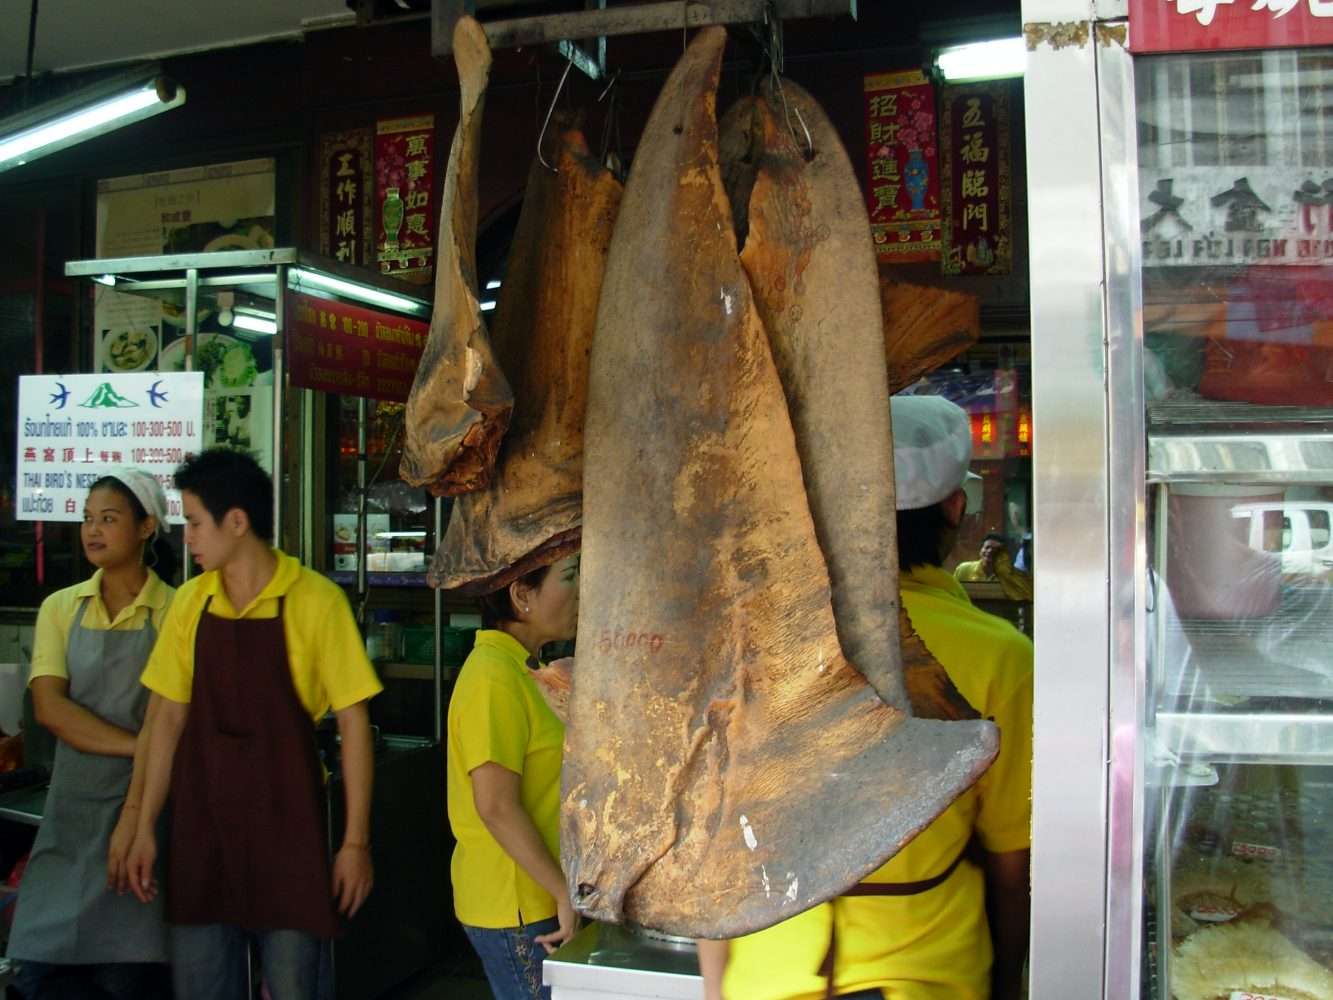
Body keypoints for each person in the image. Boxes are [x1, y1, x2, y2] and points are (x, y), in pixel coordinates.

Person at [708, 395, 1033, 1000]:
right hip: (927, 982)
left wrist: (717, 986)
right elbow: (1013, 864)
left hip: (767, 978)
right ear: (955, 507)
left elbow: (716, 836)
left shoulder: (755, 642)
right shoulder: (1002, 658)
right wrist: (1009, 982)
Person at [125, 448, 382, 1000]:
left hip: (288, 835)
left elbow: (354, 724)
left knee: (296, 988)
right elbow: (165, 720)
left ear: (236, 522)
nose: (187, 537)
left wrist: (355, 843)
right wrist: (143, 822)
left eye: (194, 522)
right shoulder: (191, 603)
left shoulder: (317, 600)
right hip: (201, 834)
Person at [10, 468, 176, 999]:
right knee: (36, 971)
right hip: (70, 812)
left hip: (144, 807)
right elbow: (50, 708)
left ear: (147, 526)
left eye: (108, 518)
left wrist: (151, 749)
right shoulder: (61, 607)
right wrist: (141, 743)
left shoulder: (176, 611)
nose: (92, 530)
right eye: (87, 519)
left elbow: (173, 715)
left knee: (124, 979)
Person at [448, 553, 582, 1000]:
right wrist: (561, 892)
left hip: (536, 896)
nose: (582, 588)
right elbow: (495, 805)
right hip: (518, 905)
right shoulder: (493, 677)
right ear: (522, 596)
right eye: (570, 575)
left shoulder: (523, 669)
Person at [954, 532, 1033, 602]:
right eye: (987, 547)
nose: (989, 551)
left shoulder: (1010, 576)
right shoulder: (963, 569)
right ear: (981, 550)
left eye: (996, 550)